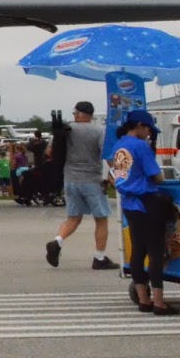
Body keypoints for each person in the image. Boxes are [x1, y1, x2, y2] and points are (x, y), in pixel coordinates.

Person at [112, 109, 178, 314]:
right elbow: (156, 177)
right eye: (148, 127)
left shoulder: (119, 145)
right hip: (147, 202)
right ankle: (159, 302)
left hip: (129, 204)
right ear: (139, 126)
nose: (150, 132)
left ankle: (143, 300)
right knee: (155, 252)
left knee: (138, 251)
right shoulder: (141, 146)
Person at [45, 100, 117, 270]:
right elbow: (107, 155)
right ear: (91, 115)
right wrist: (115, 173)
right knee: (101, 219)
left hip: (70, 179)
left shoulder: (64, 130)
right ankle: (99, 258)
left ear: (77, 114)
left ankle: (58, 241)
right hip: (92, 180)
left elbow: (50, 152)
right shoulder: (99, 131)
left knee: (73, 218)